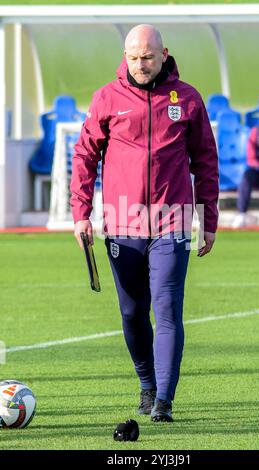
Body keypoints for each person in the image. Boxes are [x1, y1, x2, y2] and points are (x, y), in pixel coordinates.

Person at [70, 24, 219, 422]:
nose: (140, 64)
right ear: (125, 55)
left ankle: (164, 401)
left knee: (167, 308)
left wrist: (208, 219)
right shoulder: (106, 98)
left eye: (148, 57)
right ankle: (147, 386)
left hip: (173, 220)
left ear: (163, 53)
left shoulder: (186, 99)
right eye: (133, 57)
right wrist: (80, 213)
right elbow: (84, 156)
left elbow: (206, 160)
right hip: (122, 222)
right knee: (133, 313)